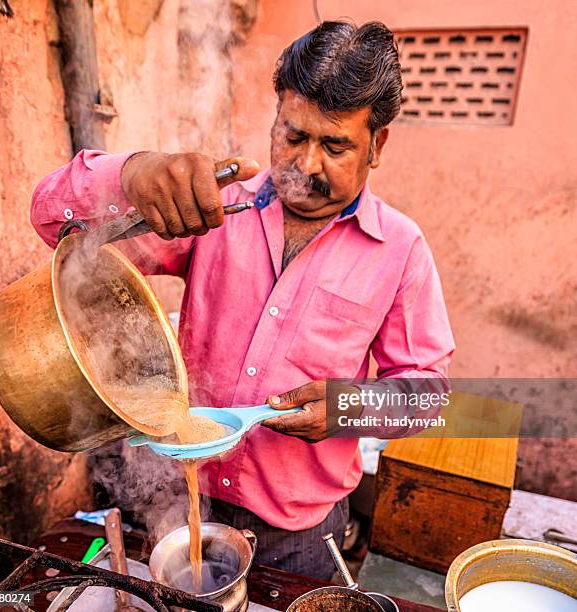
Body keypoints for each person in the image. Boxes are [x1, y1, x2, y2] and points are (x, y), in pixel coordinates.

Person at [31, 20, 454, 579]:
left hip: (299, 532)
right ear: (275, 118)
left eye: (334, 146)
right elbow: (53, 221)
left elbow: (429, 393)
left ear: (377, 145)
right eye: (293, 135)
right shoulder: (215, 207)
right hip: (180, 497)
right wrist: (130, 177)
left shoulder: (400, 249)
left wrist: (348, 407)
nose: (306, 166)